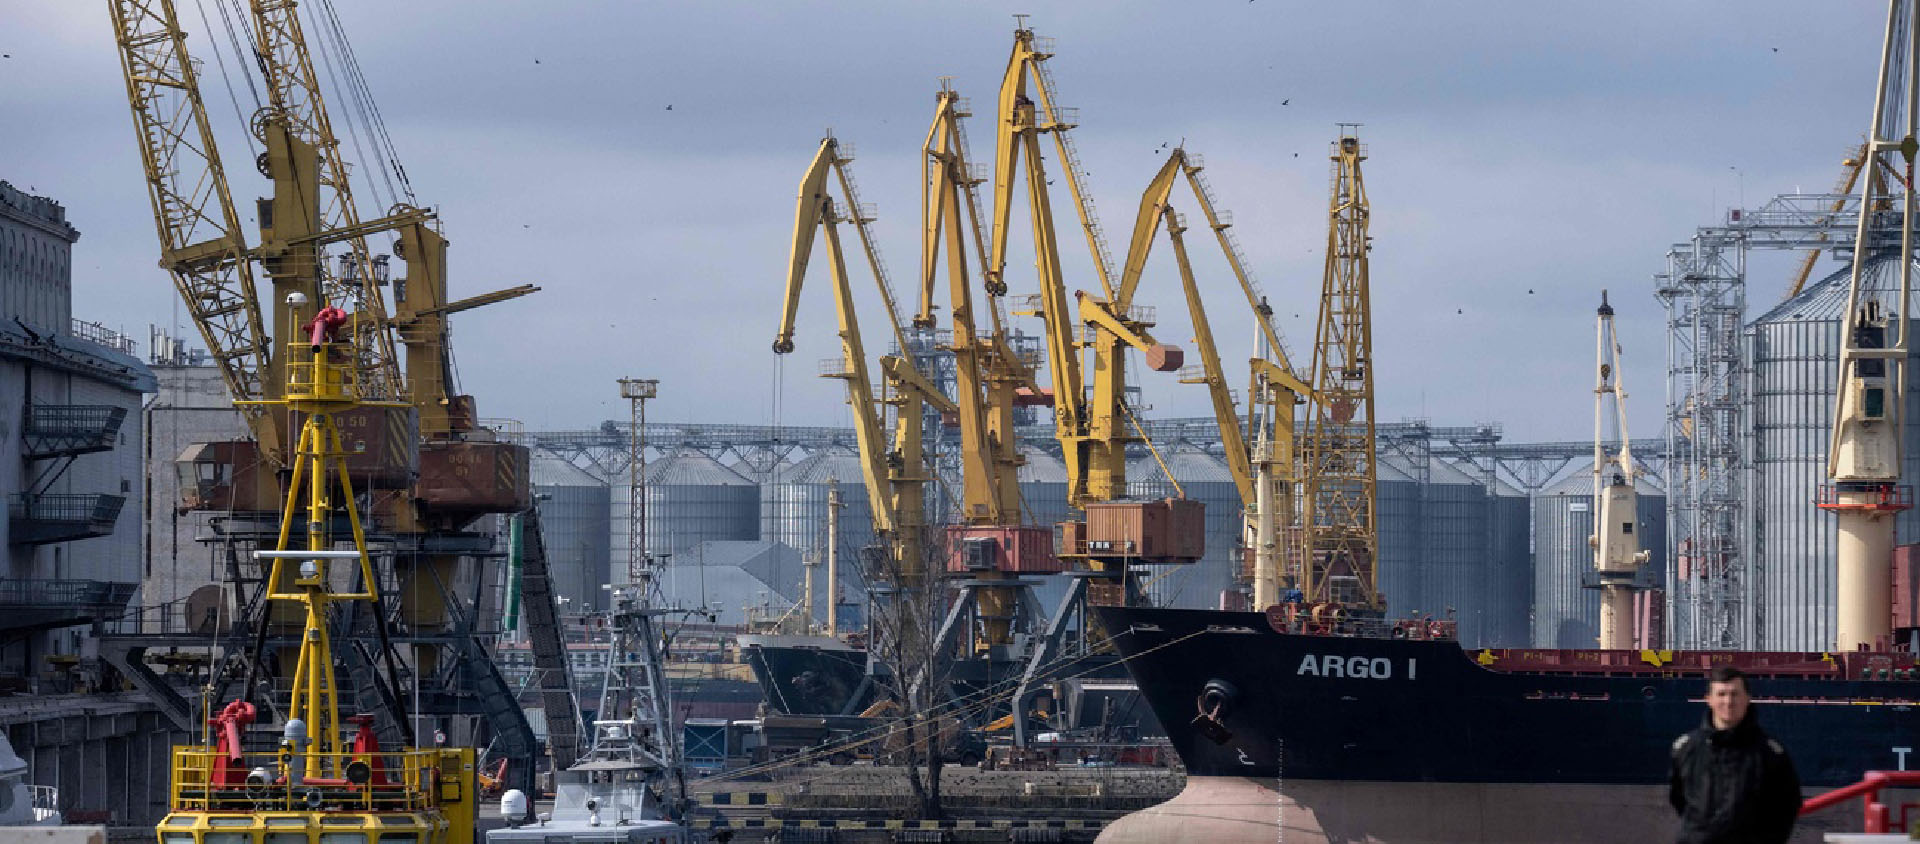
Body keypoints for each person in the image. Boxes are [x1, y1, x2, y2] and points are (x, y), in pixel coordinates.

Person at [1669, 665, 1802, 844]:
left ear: (1747, 698)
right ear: (1708, 699)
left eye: (1735, 694)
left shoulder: (1770, 753)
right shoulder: (1686, 749)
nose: (1728, 701)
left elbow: (1788, 804)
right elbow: (1678, 798)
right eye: (1721, 694)